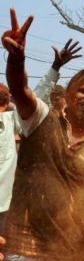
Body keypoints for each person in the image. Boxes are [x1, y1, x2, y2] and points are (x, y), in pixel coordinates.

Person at [2, 8, 84, 261]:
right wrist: (16, 61)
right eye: (83, 91)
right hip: (23, 247)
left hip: (65, 252)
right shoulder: (42, 119)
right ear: (70, 96)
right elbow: (20, 90)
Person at [33, 38, 82, 107]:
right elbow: (35, 102)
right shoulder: (46, 115)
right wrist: (56, 66)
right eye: (52, 99)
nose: (54, 102)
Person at [0, 84, 20, 234]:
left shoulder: (10, 121)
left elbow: (33, 105)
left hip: (5, 205)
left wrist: (55, 68)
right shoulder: (11, 119)